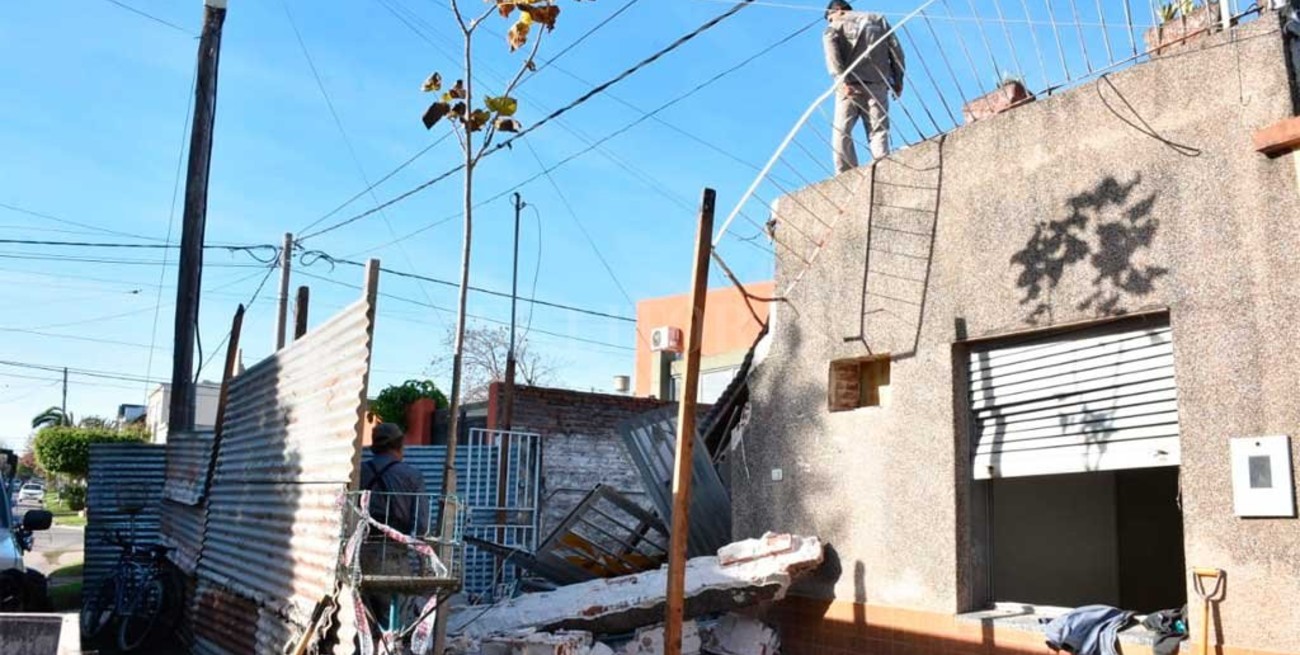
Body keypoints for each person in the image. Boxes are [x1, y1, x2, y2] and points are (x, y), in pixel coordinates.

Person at [358, 423, 431, 638]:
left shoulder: (359, 471)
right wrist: (423, 561)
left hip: (359, 555)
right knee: (397, 625)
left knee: (364, 624)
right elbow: (422, 525)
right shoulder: (411, 476)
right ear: (400, 444)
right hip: (393, 557)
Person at [823, 0, 905, 173]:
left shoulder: (834, 26)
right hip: (878, 84)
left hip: (850, 86)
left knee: (841, 132)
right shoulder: (878, 19)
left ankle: (847, 172)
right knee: (878, 129)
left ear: (837, 10)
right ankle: (882, 163)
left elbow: (832, 54)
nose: (830, 21)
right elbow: (896, 51)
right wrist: (898, 80)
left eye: (830, 17)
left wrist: (841, 80)